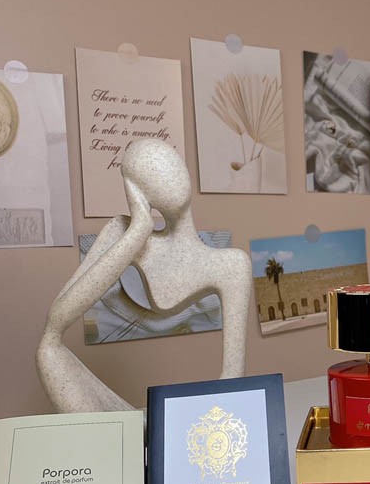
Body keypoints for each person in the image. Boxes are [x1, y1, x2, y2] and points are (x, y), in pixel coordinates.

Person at [37, 139, 251, 412]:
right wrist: (138, 231)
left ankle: (151, 431)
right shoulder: (122, 233)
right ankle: (126, 433)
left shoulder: (231, 265)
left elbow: (233, 379)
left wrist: (186, 422)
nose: (165, 174)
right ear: (135, 191)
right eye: (150, 172)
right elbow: (55, 325)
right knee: (47, 350)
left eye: (170, 163)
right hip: (127, 418)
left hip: (198, 421)